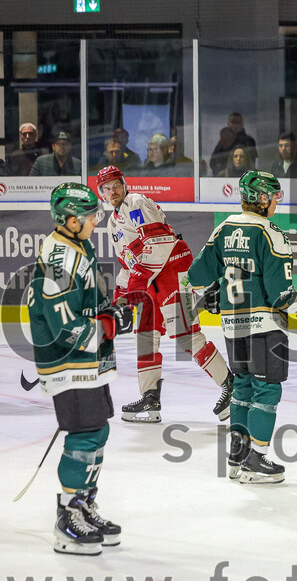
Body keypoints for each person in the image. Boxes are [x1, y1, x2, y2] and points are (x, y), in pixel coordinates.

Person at [188, 170, 297, 484]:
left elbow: (197, 275)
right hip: (264, 325)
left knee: (242, 388)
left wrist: (214, 290)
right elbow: (281, 295)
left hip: (232, 324)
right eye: (275, 196)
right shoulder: (271, 233)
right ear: (263, 198)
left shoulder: (224, 228)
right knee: (267, 389)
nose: (277, 203)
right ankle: (256, 458)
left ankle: (237, 456)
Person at [29, 183, 134, 555]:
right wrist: (107, 325)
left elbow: (89, 298)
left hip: (87, 359)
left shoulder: (79, 244)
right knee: (85, 433)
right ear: (71, 220)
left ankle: (85, 503)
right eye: (91, 217)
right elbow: (62, 326)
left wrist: (109, 311)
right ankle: (67, 516)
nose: (96, 221)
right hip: (67, 359)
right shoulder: (60, 258)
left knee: (97, 430)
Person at [94, 166, 233, 423]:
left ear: (124, 184)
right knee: (146, 336)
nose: (112, 191)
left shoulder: (135, 202)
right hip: (151, 282)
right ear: (100, 193)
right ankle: (150, 398)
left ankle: (231, 387)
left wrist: (134, 287)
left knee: (186, 336)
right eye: (106, 188)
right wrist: (120, 297)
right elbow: (129, 263)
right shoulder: (113, 222)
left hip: (172, 272)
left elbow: (158, 244)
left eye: (116, 185)